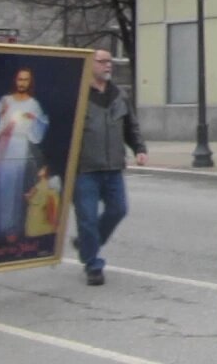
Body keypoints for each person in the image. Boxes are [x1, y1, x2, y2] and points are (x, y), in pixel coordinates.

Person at [72, 48, 147, 286]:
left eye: (110, 61)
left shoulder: (119, 95)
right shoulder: (78, 95)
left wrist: (139, 148)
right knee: (87, 218)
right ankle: (93, 265)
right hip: (85, 169)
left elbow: (130, 125)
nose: (108, 65)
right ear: (89, 65)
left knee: (118, 210)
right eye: (102, 61)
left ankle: (87, 243)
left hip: (113, 166)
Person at [0, 67, 48, 239]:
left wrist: (35, 120)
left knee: (14, 184)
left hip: (20, 145)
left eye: (26, 80)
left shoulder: (33, 104)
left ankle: (10, 227)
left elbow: (41, 127)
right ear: (15, 81)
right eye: (19, 79)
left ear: (30, 82)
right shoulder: (5, 101)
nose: (22, 83)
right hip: (4, 144)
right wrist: (1, 119)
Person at [23, 165, 60, 238]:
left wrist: (54, 224)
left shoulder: (48, 187)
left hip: (41, 228)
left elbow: (51, 208)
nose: (40, 170)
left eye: (43, 168)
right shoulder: (39, 185)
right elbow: (30, 197)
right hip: (34, 224)